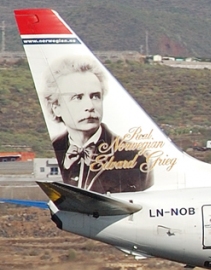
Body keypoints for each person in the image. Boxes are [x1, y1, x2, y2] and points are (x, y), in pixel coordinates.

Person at [43, 59, 152, 194]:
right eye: (77, 97)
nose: (90, 107)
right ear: (56, 108)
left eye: (95, 96)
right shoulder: (57, 147)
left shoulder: (133, 156)